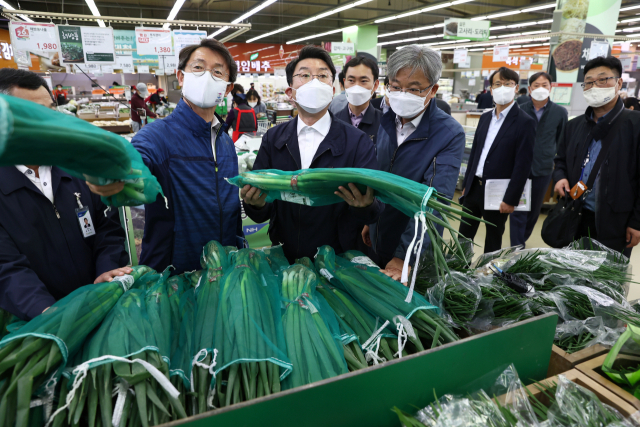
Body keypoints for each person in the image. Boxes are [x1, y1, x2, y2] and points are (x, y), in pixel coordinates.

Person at [89, 38, 244, 274]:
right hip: (175, 277)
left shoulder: (225, 141)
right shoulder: (158, 135)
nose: (207, 76)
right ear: (181, 77)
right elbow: (137, 157)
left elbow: (231, 208)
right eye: (199, 68)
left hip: (223, 273)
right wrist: (119, 170)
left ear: (228, 87)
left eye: (218, 72)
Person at [0, 69, 130, 320]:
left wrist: (108, 272)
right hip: (37, 324)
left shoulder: (81, 168)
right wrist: (46, 311)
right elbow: (6, 269)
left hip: (102, 305)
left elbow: (109, 230)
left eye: (50, 111)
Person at [240, 46, 383, 263]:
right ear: (290, 92)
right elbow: (262, 210)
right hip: (284, 257)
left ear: (333, 90)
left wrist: (365, 206)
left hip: (337, 261)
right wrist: (255, 204)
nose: (314, 81)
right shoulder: (273, 139)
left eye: (323, 75)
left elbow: (374, 210)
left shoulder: (356, 141)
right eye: (305, 75)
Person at [367, 45, 465, 280]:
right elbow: (377, 176)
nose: (402, 95)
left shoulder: (449, 133)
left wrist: (405, 257)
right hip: (376, 233)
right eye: (396, 87)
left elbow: (433, 203)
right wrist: (368, 219)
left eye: (414, 89)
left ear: (433, 90)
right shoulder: (385, 121)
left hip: (412, 246)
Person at [553, 56, 640, 255]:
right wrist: (560, 178)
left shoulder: (635, 125)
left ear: (618, 83)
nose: (595, 86)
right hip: (575, 213)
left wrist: (637, 222)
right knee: (570, 275)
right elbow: (560, 160)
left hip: (616, 221)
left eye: (603, 80)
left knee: (605, 280)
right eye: (589, 82)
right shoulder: (574, 126)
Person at [459, 67, 535, 253]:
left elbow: (522, 164)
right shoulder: (485, 118)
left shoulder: (525, 122)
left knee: (493, 239)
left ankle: (487, 276)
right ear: (491, 89)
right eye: (497, 84)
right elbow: (475, 152)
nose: (503, 88)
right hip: (474, 187)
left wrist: (511, 198)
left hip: (498, 191)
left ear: (516, 88)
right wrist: (466, 183)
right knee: (463, 236)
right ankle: (459, 272)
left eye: (508, 84)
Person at [510, 72, 568, 248]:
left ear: (551, 88)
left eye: (544, 85)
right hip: (519, 167)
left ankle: (522, 238)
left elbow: (562, 142)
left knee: (533, 211)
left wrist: (557, 165)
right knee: (518, 209)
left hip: (543, 168)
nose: (540, 88)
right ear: (529, 89)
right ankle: (517, 247)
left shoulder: (559, 112)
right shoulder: (519, 109)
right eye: (536, 85)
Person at [335, 56, 382, 146]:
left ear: (375, 85)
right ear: (344, 83)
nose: (356, 86)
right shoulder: (333, 122)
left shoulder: (384, 123)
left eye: (363, 81)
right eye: (351, 80)